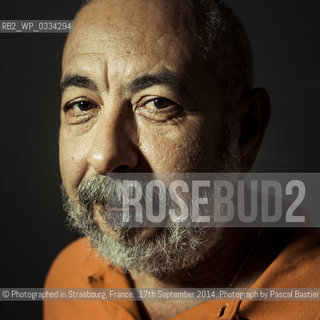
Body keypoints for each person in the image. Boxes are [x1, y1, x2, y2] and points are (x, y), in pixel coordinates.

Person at [44, 0, 320, 319]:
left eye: (159, 103)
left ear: (245, 131)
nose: (104, 155)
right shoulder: (69, 280)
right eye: (81, 106)